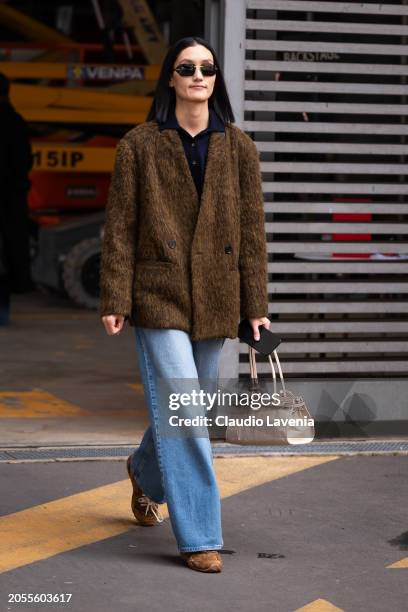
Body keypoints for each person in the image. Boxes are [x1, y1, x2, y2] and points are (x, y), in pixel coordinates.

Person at [99, 36, 270, 573]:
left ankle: (145, 473)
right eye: (186, 67)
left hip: (216, 296)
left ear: (216, 79)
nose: (197, 75)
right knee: (189, 413)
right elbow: (120, 228)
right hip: (158, 294)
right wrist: (115, 295)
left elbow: (251, 232)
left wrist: (255, 304)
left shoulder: (239, 147)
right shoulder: (138, 146)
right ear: (170, 79)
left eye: (206, 68)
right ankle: (199, 535)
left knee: (182, 410)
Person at [0, 72, 33, 325]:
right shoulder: (15, 121)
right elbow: (24, 161)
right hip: (11, 197)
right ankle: (3, 313)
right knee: (9, 254)